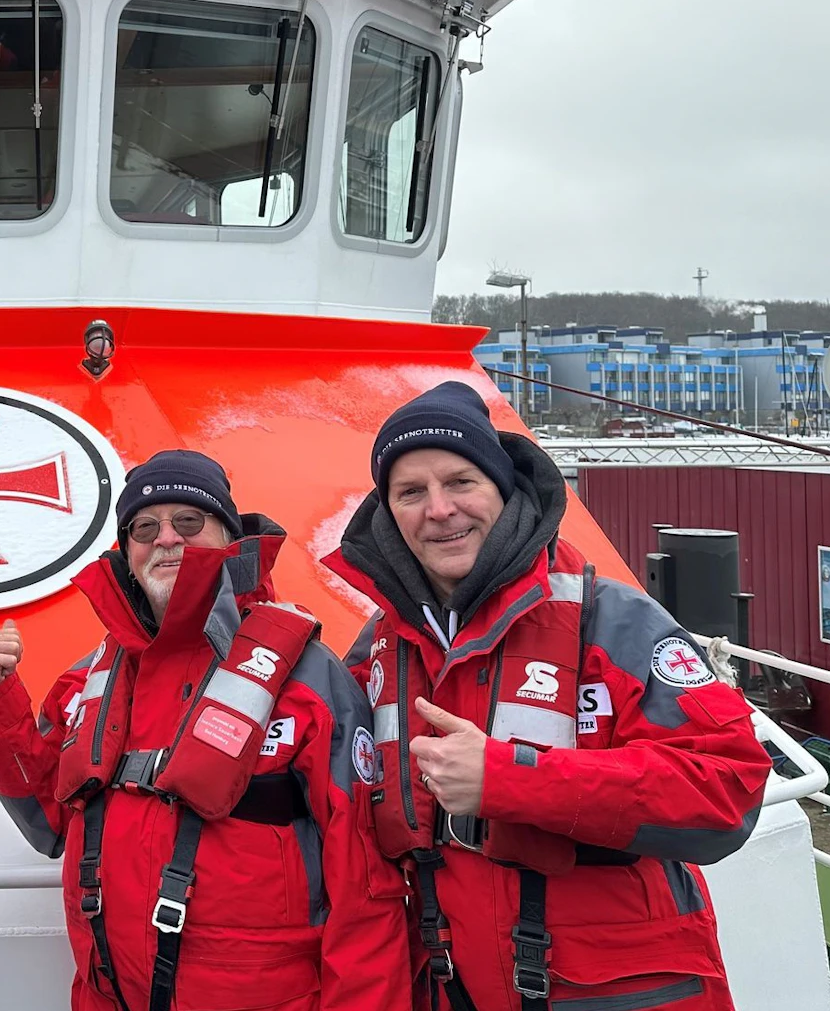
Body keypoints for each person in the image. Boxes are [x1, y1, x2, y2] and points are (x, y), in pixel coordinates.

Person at [323, 381, 773, 1010]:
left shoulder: (612, 622)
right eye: (411, 492)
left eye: (460, 482)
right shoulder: (380, 650)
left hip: (615, 990)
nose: (439, 509)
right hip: (456, 985)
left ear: (503, 491)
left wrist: (510, 779)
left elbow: (726, 790)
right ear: (389, 514)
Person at [0, 450, 410, 1011]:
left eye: (189, 522)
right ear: (127, 553)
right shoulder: (89, 677)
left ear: (228, 536)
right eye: (145, 527)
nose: (166, 538)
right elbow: (48, 819)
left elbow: (366, 891)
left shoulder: (309, 680)